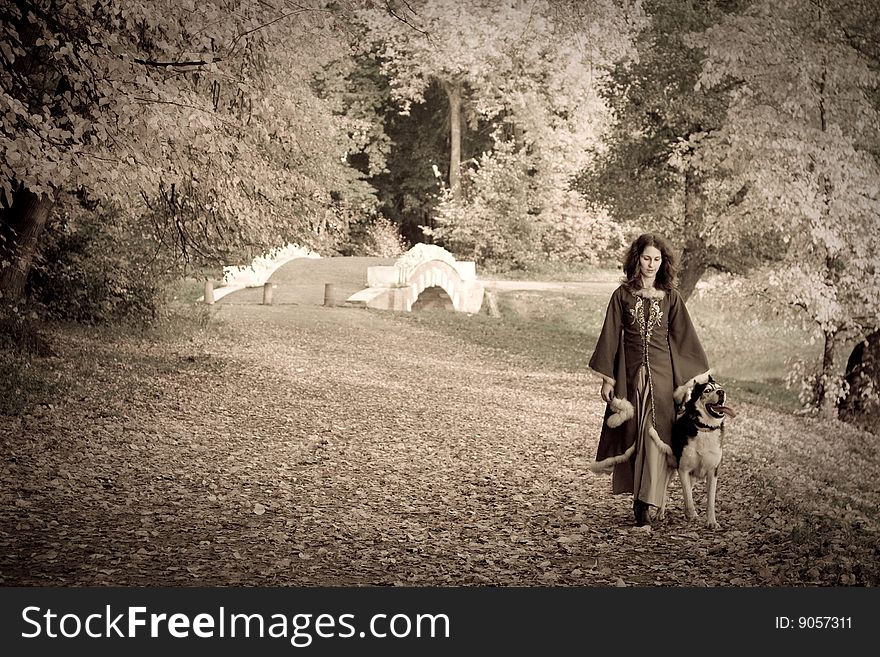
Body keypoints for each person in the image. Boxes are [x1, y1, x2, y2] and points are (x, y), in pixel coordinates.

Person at [588, 233, 711, 526]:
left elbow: (684, 339)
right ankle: (639, 500)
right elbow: (609, 336)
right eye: (646, 258)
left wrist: (687, 382)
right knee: (636, 435)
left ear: (663, 262)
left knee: (656, 439)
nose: (651, 265)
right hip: (631, 378)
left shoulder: (670, 297)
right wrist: (607, 379)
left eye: (656, 259)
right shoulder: (622, 296)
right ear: (636, 259)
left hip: (663, 377)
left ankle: (647, 502)